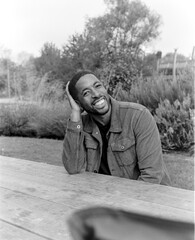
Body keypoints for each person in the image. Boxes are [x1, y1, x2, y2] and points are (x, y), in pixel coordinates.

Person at [62, 70, 171, 185]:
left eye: (98, 86)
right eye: (86, 93)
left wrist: (122, 202)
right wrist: (75, 113)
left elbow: (151, 177)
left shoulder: (138, 116)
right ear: (79, 103)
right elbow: (73, 168)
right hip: (110, 194)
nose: (96, 94)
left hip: (148, 197)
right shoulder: (82, 125)